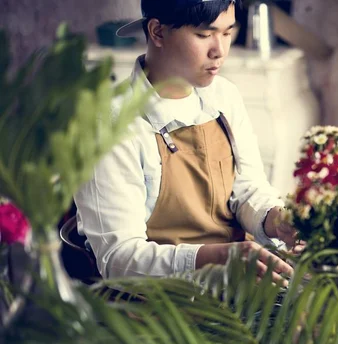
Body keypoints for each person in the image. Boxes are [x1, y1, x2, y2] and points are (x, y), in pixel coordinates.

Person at [74, 0, 297, 281]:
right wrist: (215, 258)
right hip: (157, 306)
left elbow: (246, 189)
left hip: (237, 290)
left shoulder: (224, 96)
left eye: (228, 33)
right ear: (157, 32)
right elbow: (118, 259)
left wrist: (276, 220)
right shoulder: (108, 123)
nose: (219, 51)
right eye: (204, 35)